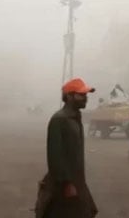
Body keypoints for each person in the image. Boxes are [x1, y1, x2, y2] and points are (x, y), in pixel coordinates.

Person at [35, 78, 98, 218]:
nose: (85, 98)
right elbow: (54, 156)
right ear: (69, 96)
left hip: (77, 181)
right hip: (64, 185)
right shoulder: (59, 120)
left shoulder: (74, 117)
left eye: (85, 95)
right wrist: (67, 183)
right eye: (81, 95)